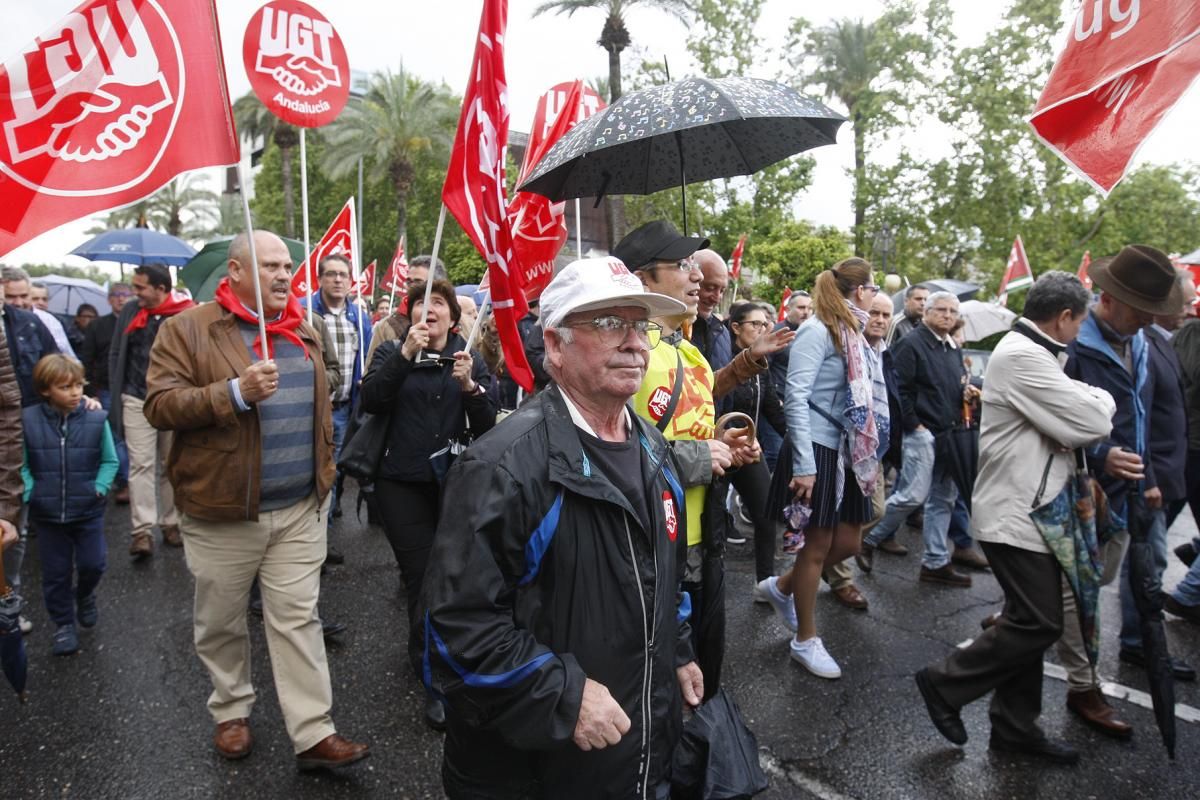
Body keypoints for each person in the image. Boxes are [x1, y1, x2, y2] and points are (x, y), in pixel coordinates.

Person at [418, 256, 702, 798]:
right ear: (554, 344)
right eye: (608, 323)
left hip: (634, 757)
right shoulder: (500, 467)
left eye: (639, 325)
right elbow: (453, 632)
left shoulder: (654, 448)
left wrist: (679, 649)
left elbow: (660, 574)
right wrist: (563, 696)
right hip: (535, 772)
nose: (636, 343)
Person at [144, 229, 369, 771]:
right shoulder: (187, 329)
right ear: (236, 272)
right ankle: (231, 709)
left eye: (286, 266)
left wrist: (325, 466)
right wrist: (234, 393)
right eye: (268, 265)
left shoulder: (302, 329)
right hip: (223, 512)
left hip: (298, 510)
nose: (282, 275)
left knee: (298, 619)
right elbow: (160, 405)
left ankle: (314, 732)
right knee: (221, 621)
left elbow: (325, 396)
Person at [915, 271, 1114, 764]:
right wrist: (1093, 405)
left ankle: (1014, 728)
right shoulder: (1023, 355)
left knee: (1028, 618)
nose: (1081, 328)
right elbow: (1094, 420)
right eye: (1081, 319)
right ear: (1064, 317)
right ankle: (944, 682)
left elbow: (1080, 416)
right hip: (1016, 511)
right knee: (1041, 622)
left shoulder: (1038, 353)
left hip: (1033, 509)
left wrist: (1084, 406)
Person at [617, 220, 789, 698]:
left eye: (695, 265)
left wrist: (727, 447)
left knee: (703, 667)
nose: (697, 277)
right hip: (651, 540)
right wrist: (700, 456)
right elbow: (610, 450)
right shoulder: (625, 353)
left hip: (702, 530)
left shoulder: (688, 351)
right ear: (642, 280)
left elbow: (694, 411)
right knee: (656, 672)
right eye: (682, 265)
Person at [1058, 245, 1190, 737]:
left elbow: (1144, 418)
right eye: (1141, 310)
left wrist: (1148, 477)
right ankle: (1083, 687)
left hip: (1124, 495)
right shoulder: (1069, 345)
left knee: (1087, 587)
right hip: (1080, 493)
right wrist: (1098, 456)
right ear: (1109, 298)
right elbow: (1047, 424)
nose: (1147, 321)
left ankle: (1020, 623)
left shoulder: (1142, 342)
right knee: (1079, 595)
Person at [358, 278, 495, 729]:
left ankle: (448, 650)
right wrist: (403, 356)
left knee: (453, 576)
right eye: (421, 303)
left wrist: (471, 387)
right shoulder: (391, 352)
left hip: (456, 485)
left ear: (454, 317)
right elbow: (372, 398)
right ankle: (434, 678)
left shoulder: (467, 356)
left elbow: (491, 423)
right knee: (423, 579)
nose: (429, 309)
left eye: (439, 302)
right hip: (401, 484)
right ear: (411, 314)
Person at [755, 258, 887, 679]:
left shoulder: (853, 332)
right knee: (816, 546)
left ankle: (781, 587)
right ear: (859, 290)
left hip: (847, 451)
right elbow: (794, 397)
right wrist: (806, 467)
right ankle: (805, 640)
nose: (875, 293)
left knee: (848, 542)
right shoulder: (817, 329)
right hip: (817, 448)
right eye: (872, 287)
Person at [859, 292, 979, 587]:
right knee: (913, 495)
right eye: (941, 309)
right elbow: (897, 388)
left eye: (953, 311)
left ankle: (936, 562)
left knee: (943, 500)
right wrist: (916, 426)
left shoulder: (950, 347)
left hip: (949, 434)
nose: (948, 315)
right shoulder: (912, 344)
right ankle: (867, 538)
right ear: (926, 312)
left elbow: (946, 387)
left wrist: (965, 393)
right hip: (922, 434)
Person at [20, 354, 118, 656]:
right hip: (48, 515)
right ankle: (63, 624)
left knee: (94, 563)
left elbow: (109, 460)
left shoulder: (95, 418)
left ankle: (85, 595)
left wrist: (98, 489)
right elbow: (21, 465)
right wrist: (31, 492)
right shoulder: (28, 420)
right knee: (55, 573)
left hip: (87, 510)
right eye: (65, 387)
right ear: (46, 389)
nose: (75, 392)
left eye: (78, 385)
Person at [110, 264, 192, 559]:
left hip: (171, 400)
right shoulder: (131, 311)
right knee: (140, 465)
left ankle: (172, 523)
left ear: (160, 289)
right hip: (135, 398)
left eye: (140, 287)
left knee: (171, 465)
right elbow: (118, 352)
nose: (135, 293)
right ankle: (142, 531)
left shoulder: (184, 313)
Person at [300, 253, 373, 529]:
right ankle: (307, 538)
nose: (338, 280)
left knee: (333, 472)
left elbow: (366, 357)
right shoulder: (303, 311)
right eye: (331, 274)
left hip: (343, 409)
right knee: (310, 473)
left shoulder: (359, 317)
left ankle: (323, 536)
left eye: (343, 275)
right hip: (309, 409)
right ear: (319, 279)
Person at [724, 302, 789, 585]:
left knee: (766, 514)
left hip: (750, 448)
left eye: (766, 324)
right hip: (718, 445)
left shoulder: (760, 364)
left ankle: (766, 583)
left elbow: (772, 408)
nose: (762, 330)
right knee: (712, 520)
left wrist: (799, 440)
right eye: (755, 324)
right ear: (735, 327)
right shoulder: (722, 357)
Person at [80, 284, 133, 503]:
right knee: (115, 436)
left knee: (134, 437)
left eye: (126, 295)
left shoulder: (137, 323)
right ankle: (125, 481)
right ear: (109, 299)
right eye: (116, 295)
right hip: (106, 388)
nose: (121, 300)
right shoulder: (98, 326)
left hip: (134, 388)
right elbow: (87, 360)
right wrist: (91, 391)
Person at [763, 290, 812, 470]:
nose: (806, 312)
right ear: (788, 308)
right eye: (801, 307)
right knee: (775, 453)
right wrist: (776, 400)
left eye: (809, 308)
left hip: (803, 407)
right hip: (776, 405)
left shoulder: (815, 334)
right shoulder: (777, 333)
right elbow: (764, 369)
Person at [366, 255, 446, 363]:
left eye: (418, 282)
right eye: (408, 281)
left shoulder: (460, 323)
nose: (411, 286)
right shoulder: (386, 326)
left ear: (438, 284)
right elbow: (371, 376)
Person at [690, 249, 732, 371]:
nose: (717, 298)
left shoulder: (722, 332)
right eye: (710, 288)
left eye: (722, 290)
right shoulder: (667, 329)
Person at [20, 277, 76, 357]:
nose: (41, 302)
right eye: (35, 299)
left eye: (44, 299)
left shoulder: (56, 321)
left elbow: (64, 350)